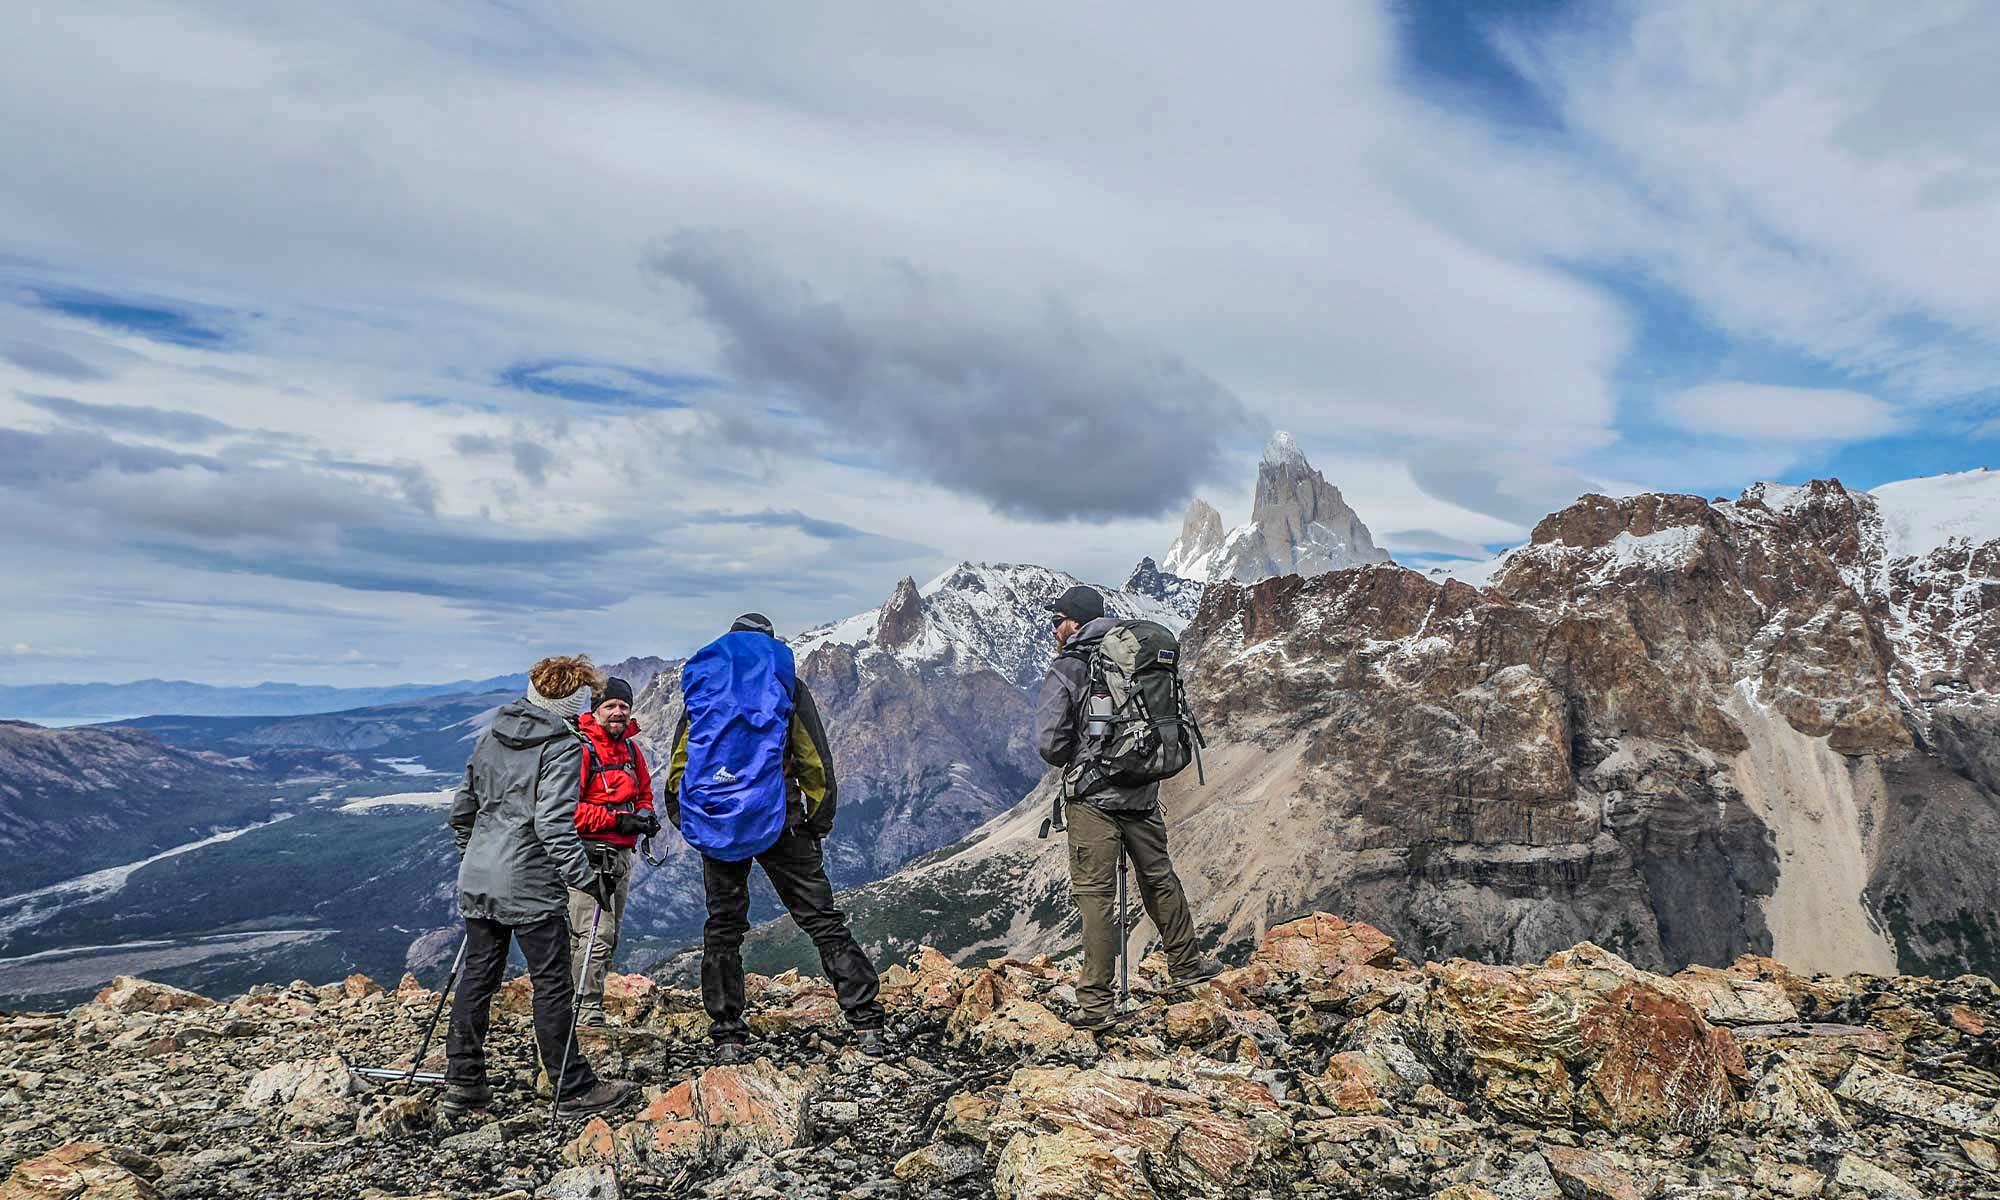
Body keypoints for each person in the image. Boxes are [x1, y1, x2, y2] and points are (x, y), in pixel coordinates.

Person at [664, 613, 888, 1061]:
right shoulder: (785, 685)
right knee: (821, 920)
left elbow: (681, 764)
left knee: (723, 927)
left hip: (720, 822)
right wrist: (816, 823)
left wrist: (688, 818)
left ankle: (727, 1033)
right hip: (779, 817)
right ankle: (866, 1022)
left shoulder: (707, 688)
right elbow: (814, 761)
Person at [443, 655, 633, 1118]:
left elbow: (462, 811)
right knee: (552, 982)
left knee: (477, 978)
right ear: (570, 701)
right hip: (528, 881)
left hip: (478, 876)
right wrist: (585, 880)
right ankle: (570, 1086)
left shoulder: (491, 733)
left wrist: (477, 855)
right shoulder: (563, 746)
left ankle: (464, 1082)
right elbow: (553, 826)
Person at [1037, 585, 1221, 1031]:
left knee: (1096, 897)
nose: (1053, 629)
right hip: (1142, 790)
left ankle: (1096, 1005)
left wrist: (1081, 755)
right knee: (1159, 877)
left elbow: (1050, 742)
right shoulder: (1135, 654)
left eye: (1057, 620)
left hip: (1094, 800)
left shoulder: (1069, 666)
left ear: (1074, 622)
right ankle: (1186, 967)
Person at [568, 675, 659, 1026]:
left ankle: (581, 1002)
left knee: (610, 934)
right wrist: (616, 820)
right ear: (596, 710)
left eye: (623, 706)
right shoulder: (583, 748)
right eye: (610, 706)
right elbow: (566, 810)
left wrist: (645, 816)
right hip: (588, 855)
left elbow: (645, 792)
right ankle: (585, 1011)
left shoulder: (631, 750)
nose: (618, 712)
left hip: (620, 857)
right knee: (596, 934)